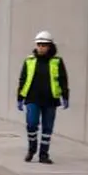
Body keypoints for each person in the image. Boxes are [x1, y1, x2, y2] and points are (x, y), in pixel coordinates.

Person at [17, 30, 69, 163]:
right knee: (31, 124)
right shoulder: (29, 61)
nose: (41, 47)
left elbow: (63, 79)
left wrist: (65, 96)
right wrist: (20, 97)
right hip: (32, 98)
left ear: (50, 46)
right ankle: (32, 148)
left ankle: (43, 154)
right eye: (39, 45)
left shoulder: (57, 61)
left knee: (47, 128)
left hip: (50, 99)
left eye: (44, 45)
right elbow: (23, 79)